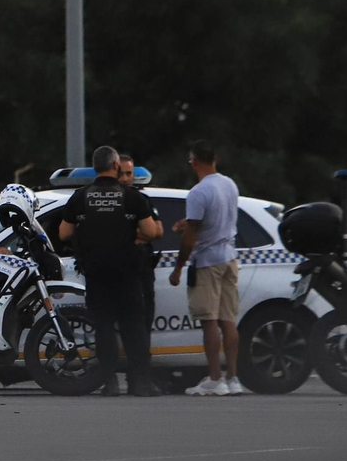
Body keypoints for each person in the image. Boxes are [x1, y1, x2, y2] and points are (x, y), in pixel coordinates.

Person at [58, 146, 163, 397]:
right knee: (134, 326)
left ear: (95, 167)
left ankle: (108, 382)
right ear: (116, 166)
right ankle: (140, 383)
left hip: (96, 273)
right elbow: (151, 232)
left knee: (103, 327)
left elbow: (64, 233)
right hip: (127, 272)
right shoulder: (131, 197)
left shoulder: (80, 197)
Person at [170, 140, 245, 396]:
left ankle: (215, 378)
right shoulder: (229, 184)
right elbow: (214, 219)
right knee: (228, 319)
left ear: (194, 161)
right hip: (229, 257)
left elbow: (191, 235)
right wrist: (188, 224)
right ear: (216, 159)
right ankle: (233, 378)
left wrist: (179, 267)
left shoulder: (198, 192)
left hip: (207, 261)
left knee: (209, 321)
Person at [118, 153, 162, 352]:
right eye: (121, 173)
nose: (126, 178)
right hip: (118, 268)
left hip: (143, 267)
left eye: (129, 173)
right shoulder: (108, 200)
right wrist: (139, 232)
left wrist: (134, 233)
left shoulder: (142, 199)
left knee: (145, 321)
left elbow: (158, 231)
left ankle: (142, 372)